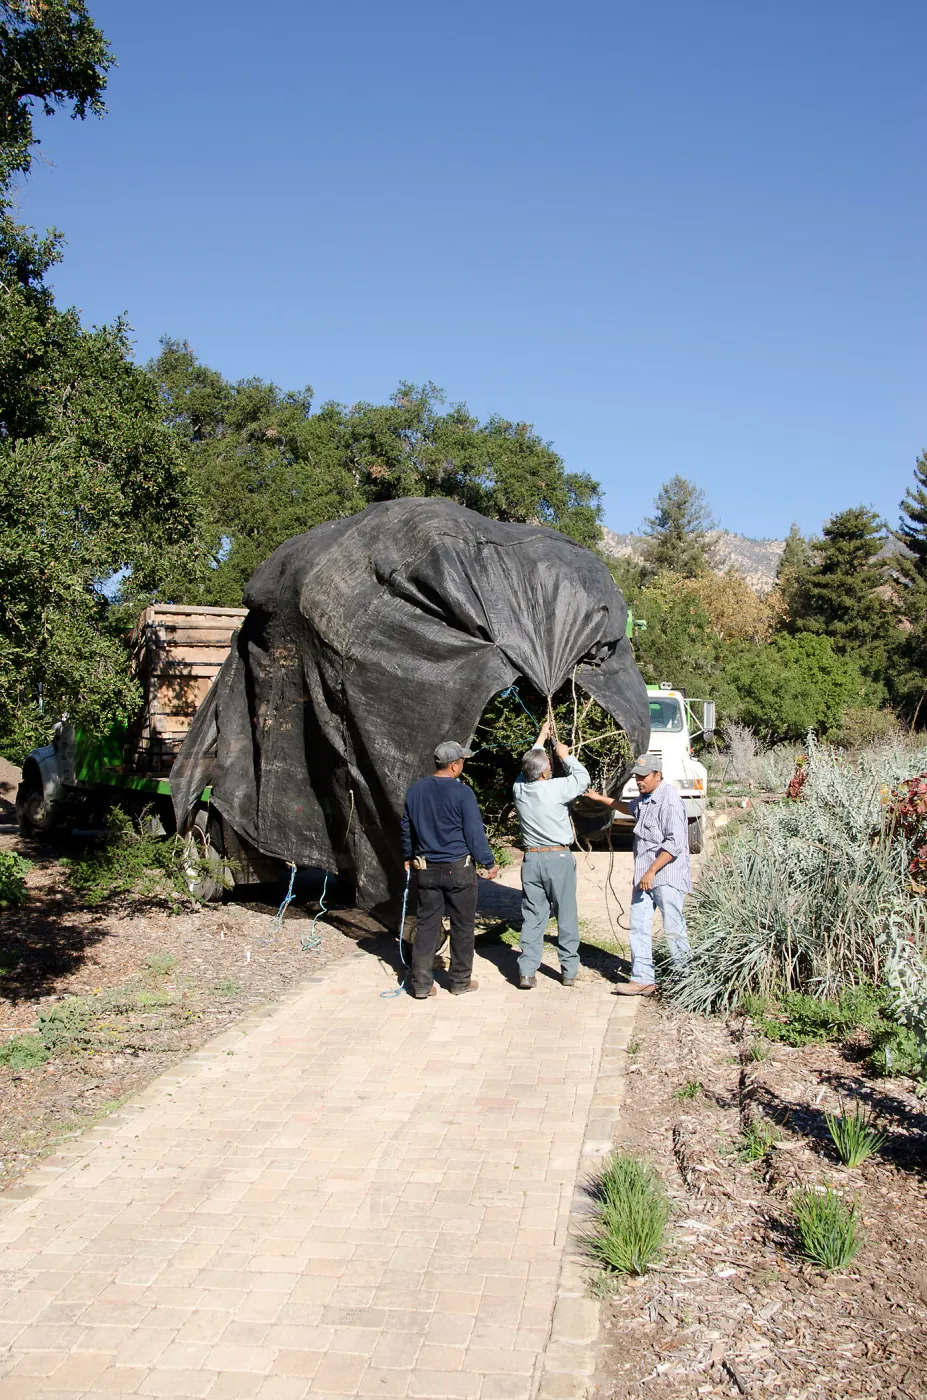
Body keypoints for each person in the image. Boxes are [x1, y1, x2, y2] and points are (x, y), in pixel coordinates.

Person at [587, 753, 691, 995]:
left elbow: (675, 843)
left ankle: (686, 981)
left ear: (658, 775)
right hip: (645, 875)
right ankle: (642, 978)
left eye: (643, 776)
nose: (638, 780)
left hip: (665, 875)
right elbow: (629, 808)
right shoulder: (645, 798)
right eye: (636, 776)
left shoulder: (670, 801)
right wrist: (599, 798)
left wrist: (652, 871)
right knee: (638, 925)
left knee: (673, 928)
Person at [401, 740, 498, 999]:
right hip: (459, 870)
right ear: (455, 765)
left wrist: (408, 856)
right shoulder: (462, 793)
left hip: (426, 870)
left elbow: (406, 828)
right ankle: (460, 982)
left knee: (426, 926)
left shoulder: (415, 790)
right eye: (462, 762)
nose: (463, 766)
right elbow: (474, 833)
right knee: (463, 927)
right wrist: (488, 862)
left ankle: (421, 985)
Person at [512, 719, 590, 990]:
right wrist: (566, 756)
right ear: (545, 772)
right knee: (566, 913)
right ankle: (568, 971)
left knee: (533, 915)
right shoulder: (556, 787)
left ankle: (526, 972)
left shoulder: (520, 789)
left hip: (531, 859)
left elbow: (527, 768)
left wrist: (541, 739)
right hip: (558, 858)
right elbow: (582, 779)